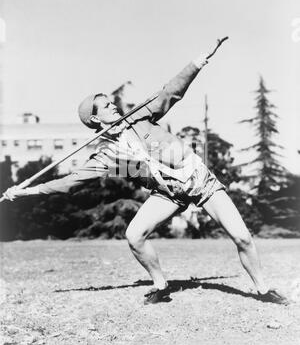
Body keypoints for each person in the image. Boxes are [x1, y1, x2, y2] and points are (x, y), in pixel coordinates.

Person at [3, 44, 289, 305]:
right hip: (169, 194)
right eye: (105, 106)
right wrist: (26, 191)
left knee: (242, 237)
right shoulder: (106, 156)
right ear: (94, 119)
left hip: (200, 181)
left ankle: (263, 289)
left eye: (111, 102)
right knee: (134, 235)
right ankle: (160, 285)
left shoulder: (139, 116)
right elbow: (70, 183)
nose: (113, 105)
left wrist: (196, 64)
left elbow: (169, 93)